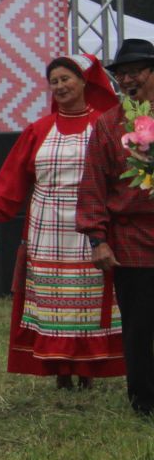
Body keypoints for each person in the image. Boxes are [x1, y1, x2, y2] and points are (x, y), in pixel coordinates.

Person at [0, 55, 125, 387]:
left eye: (66, 78)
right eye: (55, 81)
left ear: (83, 83)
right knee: (53, 302)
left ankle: (88, 370)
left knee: (88, 299)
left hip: (91, 226)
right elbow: (11, 182)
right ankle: (60, 370)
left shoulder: (106, 125)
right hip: (46, 226)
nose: (61, 86)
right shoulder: (38, 130)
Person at [80, 39, 154, 415]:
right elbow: (93, 185)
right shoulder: (108, 125)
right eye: (121, 74)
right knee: (140, 325)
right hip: (131, 238)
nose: (127, 79)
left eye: (135, 72)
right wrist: (98, 239)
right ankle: (144, 400)